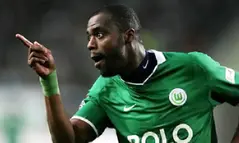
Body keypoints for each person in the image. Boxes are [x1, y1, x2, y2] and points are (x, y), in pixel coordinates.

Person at [16, 4, 239, 143]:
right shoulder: (106, 90)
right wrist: (48, 81)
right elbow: (69, 139)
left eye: (99, 34)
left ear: (128, 36)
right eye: (88, 37)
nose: (90, 44)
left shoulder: (194, 68)